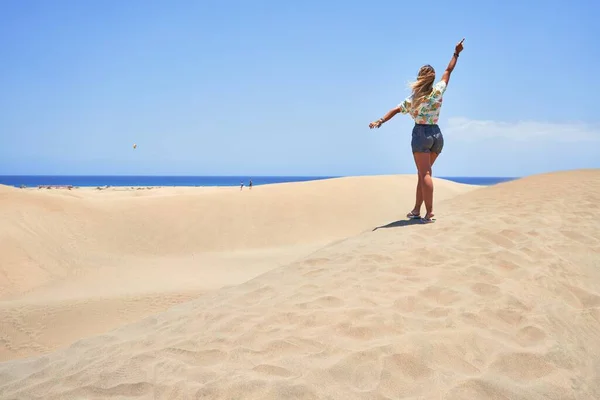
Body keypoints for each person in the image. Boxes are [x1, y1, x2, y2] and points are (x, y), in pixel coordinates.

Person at [369, 38, 465, 223]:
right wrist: (456, 53)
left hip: (421, 135)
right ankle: (416, 210)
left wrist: (380, 121)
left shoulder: (414, 99)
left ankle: (429, 214)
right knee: (424, 174)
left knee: (425, 174)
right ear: (432, 78)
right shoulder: (438, 91)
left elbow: (395, 110)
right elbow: (448, 70)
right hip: (437, 135)